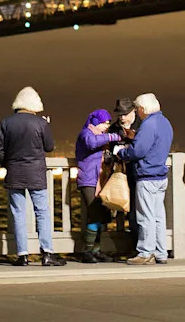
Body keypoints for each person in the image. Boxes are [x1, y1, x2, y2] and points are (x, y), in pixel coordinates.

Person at [0, 86, 66, 266]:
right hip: (36, 173)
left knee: (18, 213)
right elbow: (49, 147)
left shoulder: (6, 122)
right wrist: (46, 125)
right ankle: (47, 253)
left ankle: (22, 254)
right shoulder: (41, 123)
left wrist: (8, 164)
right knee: (42, 212)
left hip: (15, 172)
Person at [117, 93, 173, 265]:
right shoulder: (165, 123)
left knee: (145, 216)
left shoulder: (149, 124)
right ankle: (161, 252)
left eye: (138, 109)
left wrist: (121, 153)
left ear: (142, 108)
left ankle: (145, 252)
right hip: (161, 176)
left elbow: (138, 151)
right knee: (158, 216)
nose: (138, 113)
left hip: (147, 175)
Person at [75, 109, 122, 263]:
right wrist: (114, 136)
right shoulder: (86, 134)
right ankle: (87, 251)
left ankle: (96, 250)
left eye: (107, 123)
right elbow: (91, 143)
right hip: (88, 180)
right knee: (94, 215)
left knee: (101, 217)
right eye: (103, 123)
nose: (106, 126)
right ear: (95, 122)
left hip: (100, 180)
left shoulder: (100, 137)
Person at [109, 98, 140, 247]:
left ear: (133, 111)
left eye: (125, 114)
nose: (122, 117)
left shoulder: (142, 126)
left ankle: (138, 245)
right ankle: (131, 245)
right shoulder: (115, 128)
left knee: (136, 211)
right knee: (124, 209)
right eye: (120, 114)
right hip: (120, 174)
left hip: (138, 173)